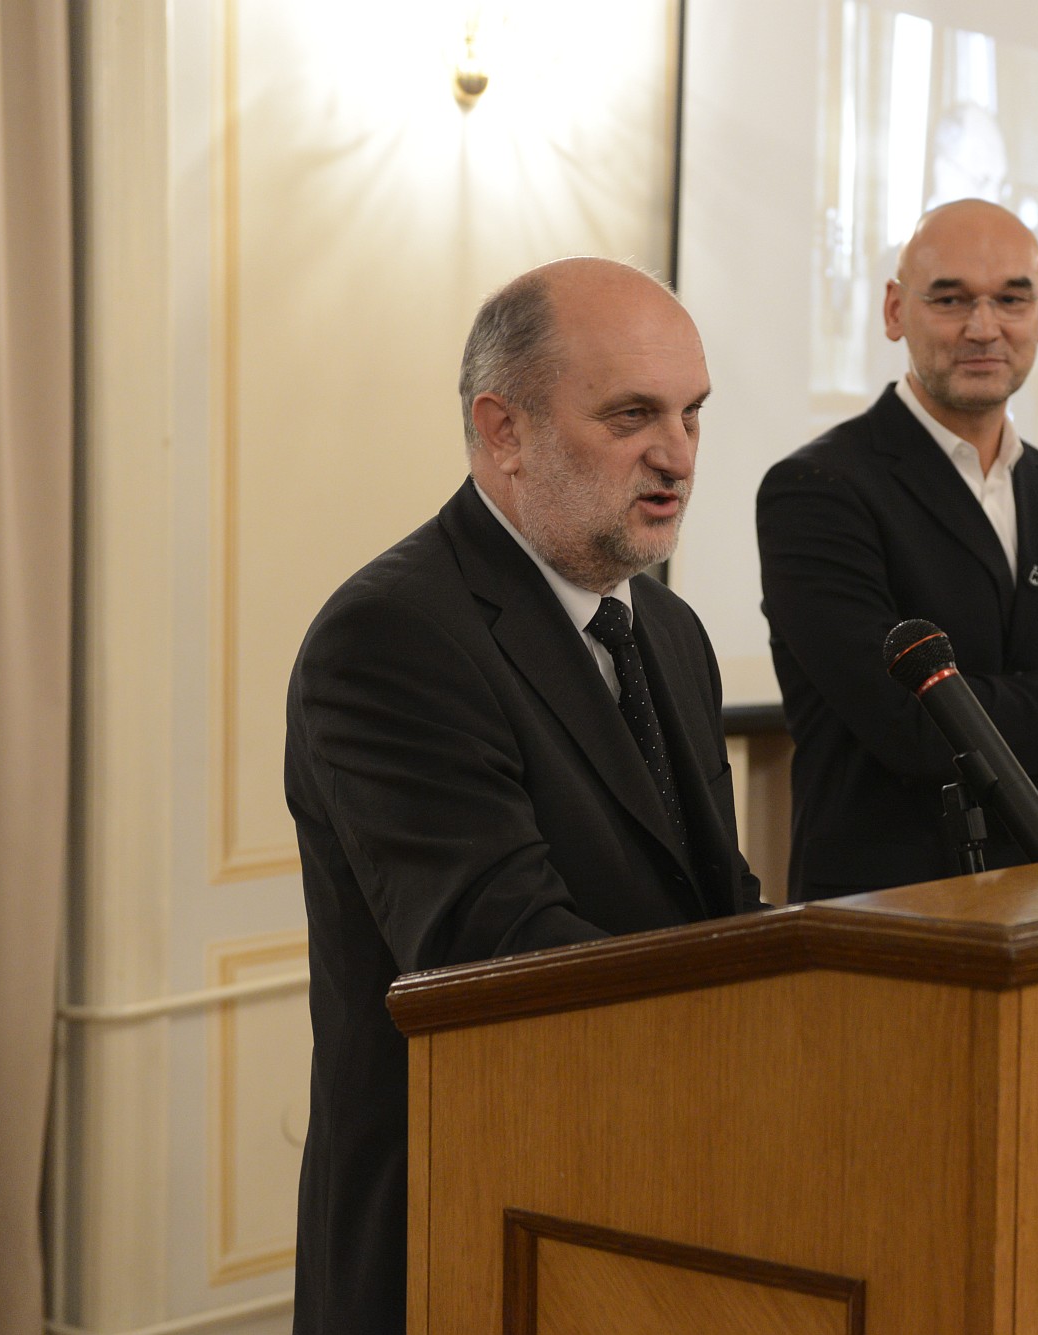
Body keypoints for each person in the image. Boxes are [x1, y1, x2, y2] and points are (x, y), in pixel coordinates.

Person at [284, 258, 762, 1334]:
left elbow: (714, 903)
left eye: (691, 413)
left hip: (658, 1207)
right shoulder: (391, 635)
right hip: (470, 1227)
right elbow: (504, 957)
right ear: (503, 431)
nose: (678, 455)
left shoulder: (667, 629)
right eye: (632, 415)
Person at [756, 199, 1038, 898]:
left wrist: (966, 774)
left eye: (1011, 299)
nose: (984, 328)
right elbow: (910, 731)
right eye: (951, 299)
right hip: (891, 919)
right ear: (895, 310)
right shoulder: (816, 493)